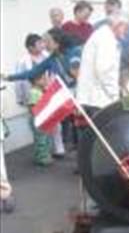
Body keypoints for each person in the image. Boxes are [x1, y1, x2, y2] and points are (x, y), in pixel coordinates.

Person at [3, 28, 82, 158]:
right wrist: (9, 77)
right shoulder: (52, 58)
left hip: (83, 95)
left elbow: (79, 74)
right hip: (67, 96)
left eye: (47, 42)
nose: (44, 45)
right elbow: (33, 72)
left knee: (83, 126)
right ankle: (79, 158)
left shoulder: (75, 51)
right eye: (43, 42)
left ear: (57, 42)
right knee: (74, 126)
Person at [77, 11, 129, 115]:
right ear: (118, 25)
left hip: (93, 98)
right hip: (99, 99)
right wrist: (115, 95)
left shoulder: (101, 35)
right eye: (126, 27)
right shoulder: (106, 40)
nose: (127, 31)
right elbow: (104, 71)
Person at [15, 34, 48, 108]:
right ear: (31, 47)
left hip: (48, 91)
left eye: (42, 42)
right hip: (33, 95)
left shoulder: (46, 55)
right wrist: (19, 98)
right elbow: (18, 81)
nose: (42, 45)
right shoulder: (22, 62)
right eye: (39, 43)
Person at [28, 72, 53, 166]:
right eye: (43, 79)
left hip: (43, 118)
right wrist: (39, 117)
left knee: (45, 138)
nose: (46, 80)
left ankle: (43, 155)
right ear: (36, 81)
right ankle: (41, 158)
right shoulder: (34, 92)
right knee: (41, 139)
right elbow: (32, 107)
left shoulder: (40, 91)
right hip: (38, 119)